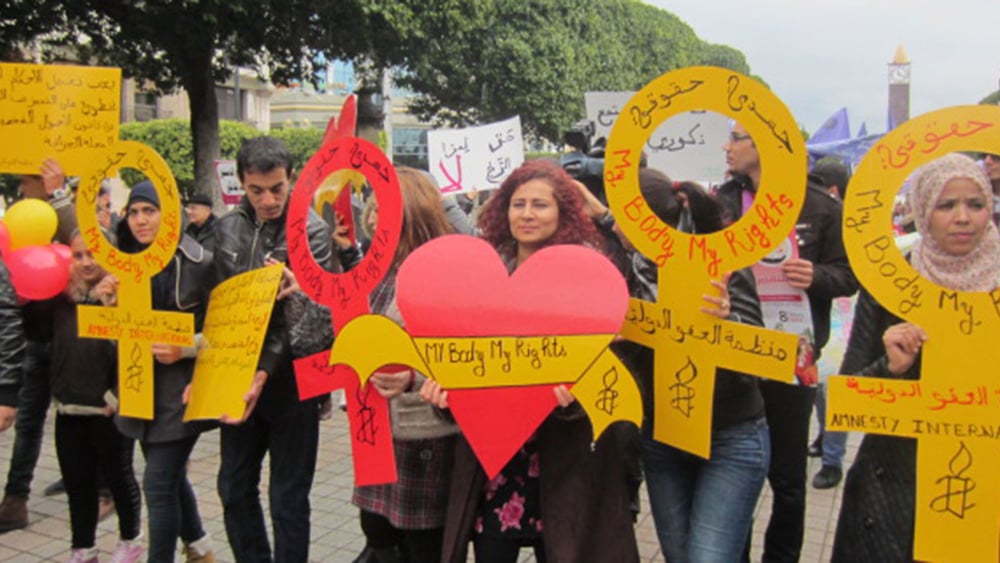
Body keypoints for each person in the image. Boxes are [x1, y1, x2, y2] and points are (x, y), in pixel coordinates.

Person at [427, 160, 640, 563]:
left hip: (563, 459)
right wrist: (446, 395)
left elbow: (608, 370)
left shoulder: (590, 277)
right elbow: (464, 359)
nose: (527, 214)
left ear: (562, 212)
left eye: (540, 205)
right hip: (495, 457)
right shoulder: (483, 277)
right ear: (503, 209)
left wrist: (574, 400)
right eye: (518, 203)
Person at [832, 153, 1000, 561]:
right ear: (923, 209)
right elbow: (849, 395)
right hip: (892, 487)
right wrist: (890, 367)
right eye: (946, 205)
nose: (963, 217)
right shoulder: (891, 282)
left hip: (983, 483)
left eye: (975, 205)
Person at [718, 123, 858, 562]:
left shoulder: (820, 205)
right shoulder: (722, 202)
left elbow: (849, 276)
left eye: (737, 137)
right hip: (733, 353)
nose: (728, 146)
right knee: (733, 471)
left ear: (767, 143)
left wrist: (816, 276)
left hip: (794, 356)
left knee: (788, 478)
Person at [626, 168, 771, 563]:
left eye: (624, 218)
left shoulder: (722, 262)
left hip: (731, 435)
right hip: (663, 436)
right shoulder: (630, 269)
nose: (616, 226)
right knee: (678, 555)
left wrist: (727, 322)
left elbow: (755, 358)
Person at [213, 136, 339, 563]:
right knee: (232, 486)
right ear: (242, 184)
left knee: (287, 497)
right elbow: (213, 305)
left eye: (277, 189)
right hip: (235, 374)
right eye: (257, 190)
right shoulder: (226, 229)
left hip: (293, 382)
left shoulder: (312, 234)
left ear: (291, 180)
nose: (268, 200)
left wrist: (264, 370)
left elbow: (310, 320)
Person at [104, 180, 218, 563]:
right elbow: (112, 334)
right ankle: (200, 548)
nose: (140, 220)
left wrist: (186, 347)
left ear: (167, 213)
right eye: (133, 212)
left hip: (180, 393)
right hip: (138, 389)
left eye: (148, 211)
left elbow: (226, 331)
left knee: (156, 485)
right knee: (168, 478)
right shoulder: (122, 263)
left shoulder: (200, 261)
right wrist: (108, 303)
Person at [352, 167, 459, 563]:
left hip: (424, 436)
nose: (376, 218)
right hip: (374, 430)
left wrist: (414, 378)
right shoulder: (372, 271)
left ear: (414, 210)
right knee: (377, 532)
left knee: (424, 545)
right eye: (375, 209)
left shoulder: (444, 273)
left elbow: (464, 355)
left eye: (388, 209)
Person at [54, 233, 144, 563]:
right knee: (78, 485)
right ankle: (83, 547)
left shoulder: (123, 294)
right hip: (69, 408)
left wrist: (118, 396)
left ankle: (131, 538)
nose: (87, 261)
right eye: (78, 255)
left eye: (93, 252)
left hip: (108, 411)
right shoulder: (61, 300)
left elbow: (136, 349)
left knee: (119, 479)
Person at [0, 158, 79, 532]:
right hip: (34, 339)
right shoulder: (19, 223)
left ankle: (94, 485)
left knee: (75, 418)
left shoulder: (70, 216)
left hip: (69, 342)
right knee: (29, 422)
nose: (21, 187)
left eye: (26, 180)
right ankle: (15, 499)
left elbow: (83, 245)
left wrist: (59, 195)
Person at [806, 157, 854, 490]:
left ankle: (833, 460)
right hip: (824, 320)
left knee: (834, 391)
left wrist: (818, 276)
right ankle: (824, 439)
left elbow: (848, 276)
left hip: (844, 320)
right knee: (821, 390)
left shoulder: (839, 217)